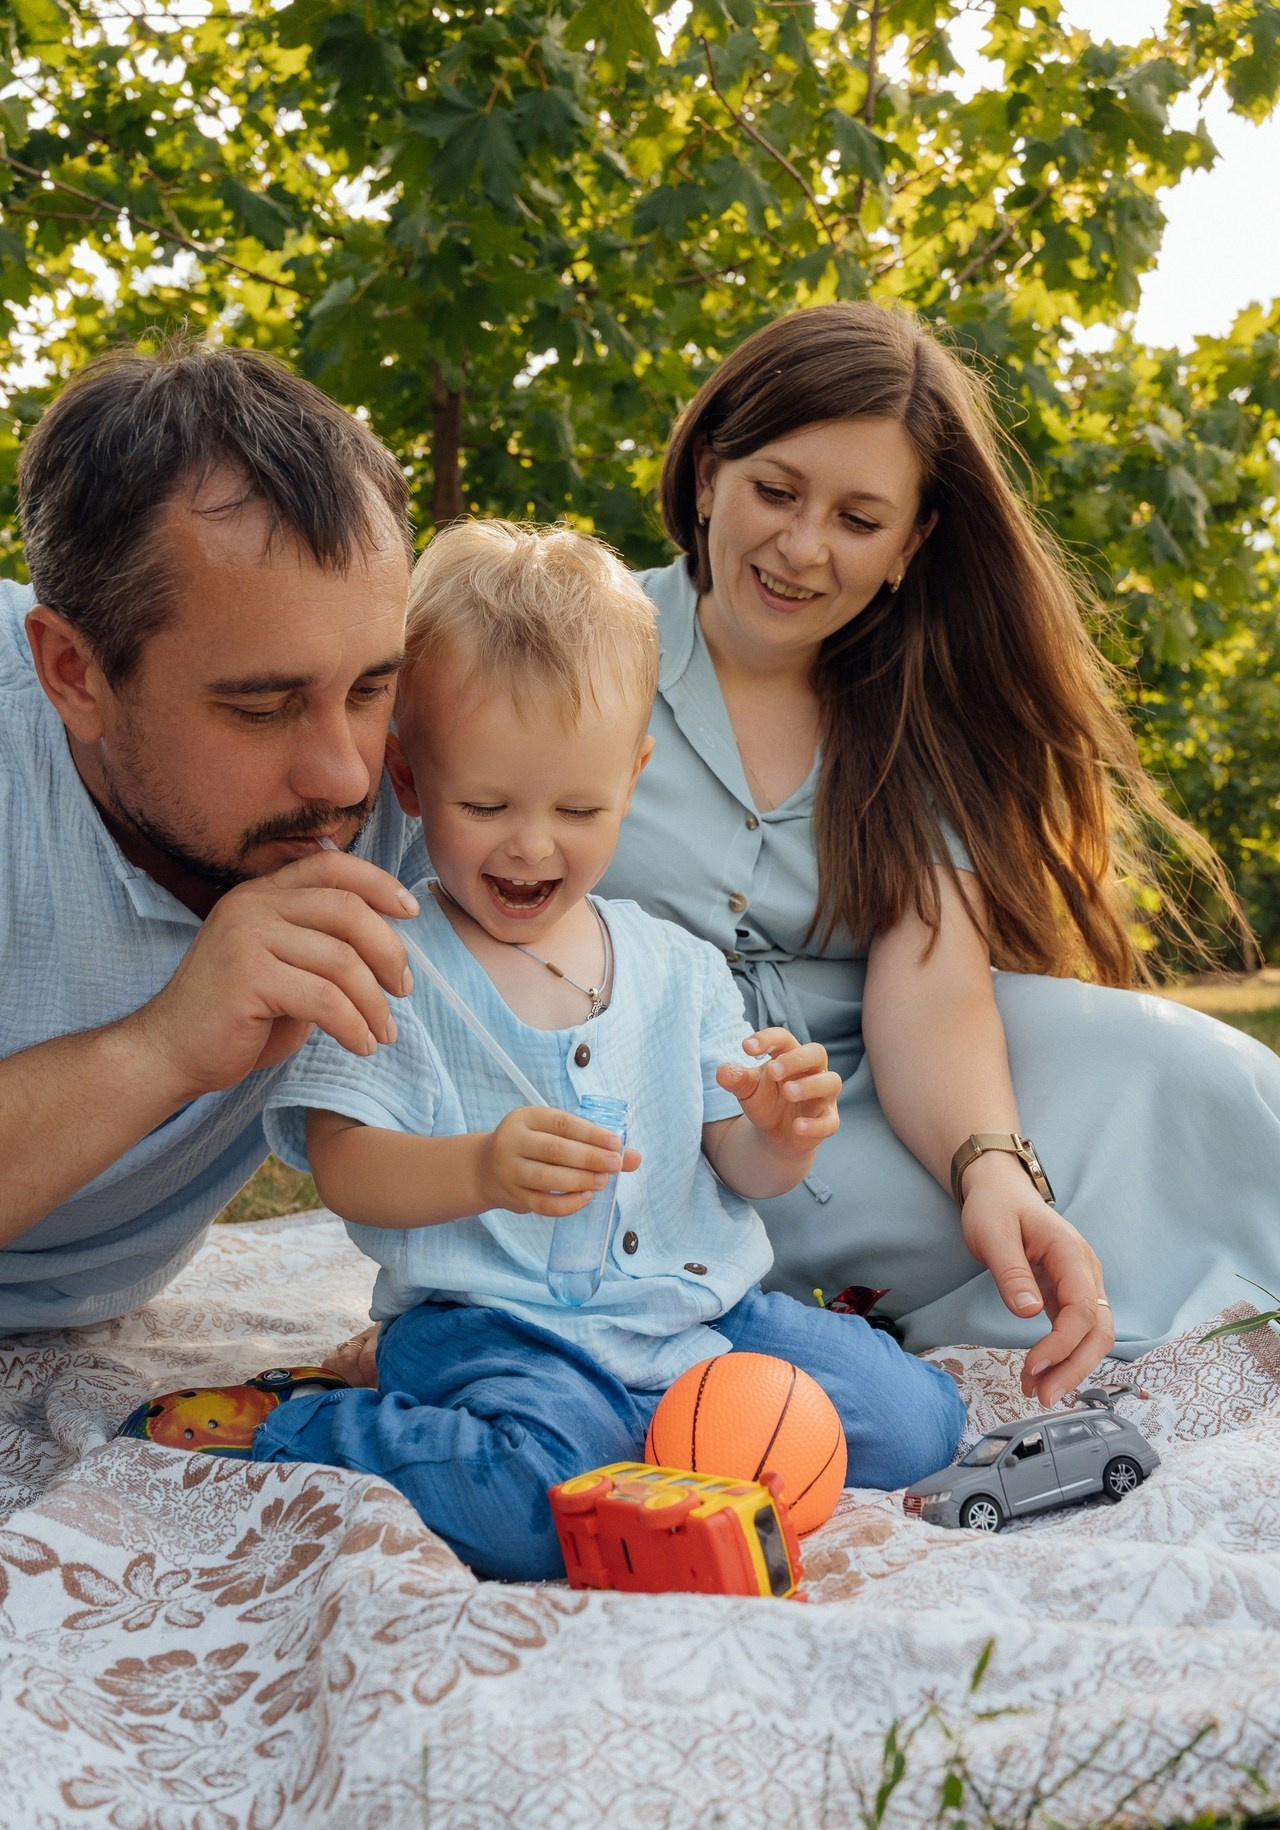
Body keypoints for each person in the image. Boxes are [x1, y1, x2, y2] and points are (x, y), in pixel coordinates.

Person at [120, 521, 965, 1581]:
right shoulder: (392, 958)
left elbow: (737, 1162)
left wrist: (778, 1133)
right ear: (413, 782)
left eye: (578, 806)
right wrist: (480, 1167)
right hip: (498, 1331)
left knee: (912, 1419)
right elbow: (347, 1166)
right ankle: (306, 1421)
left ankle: (660, 1447)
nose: (531, 844)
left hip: (693, 1319)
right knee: (535, 1509)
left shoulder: (673, 964)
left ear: (634, 774)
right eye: (487, 805)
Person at [596, 300, 1280, 1406]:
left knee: (1176, 1072)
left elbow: (930, 992)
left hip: (878, 1073)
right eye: (775, 490)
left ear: (911, 546)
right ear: (709, 468)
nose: (802, 547)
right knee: (1000, 1249)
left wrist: (989, 1165)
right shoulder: (575, 643)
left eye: (858, 520)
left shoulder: (908, 711)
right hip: (647, 1105)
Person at [0, 338, 425, 1331]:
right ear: (73, 672)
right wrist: (160, 1048)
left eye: (369, 687)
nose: (346, 774)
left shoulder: (432, 762)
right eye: (260, 706)